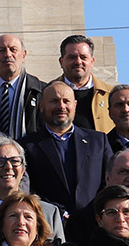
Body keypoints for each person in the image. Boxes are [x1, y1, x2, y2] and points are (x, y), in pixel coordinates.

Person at [20, 82, 108, 216]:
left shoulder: (98, 141)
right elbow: (27, 187)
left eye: (66, 101)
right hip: (50, 223)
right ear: (41, 106)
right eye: (54, 101)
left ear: (75, 105)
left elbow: (110, 179)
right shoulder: (26, 146)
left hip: (94, 223)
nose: (61, 106)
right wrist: (56, 213)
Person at [0, 34, 45, 139]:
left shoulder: (42, 91)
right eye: (1, 50)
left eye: (13, 50)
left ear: (23, 55)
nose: (7, 54)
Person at [56, 35, 113, 131]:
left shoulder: (110, 95)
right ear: (61, 62)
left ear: (92, 61)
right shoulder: (46, 94)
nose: (78, 62)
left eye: (83, 57)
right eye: (72, 57)